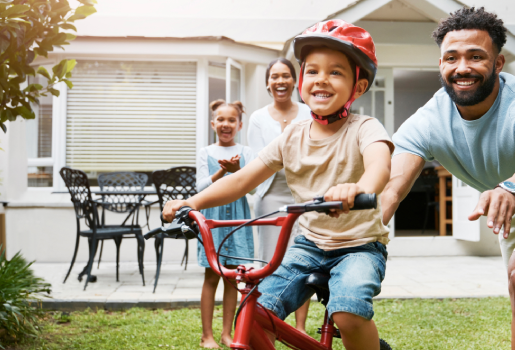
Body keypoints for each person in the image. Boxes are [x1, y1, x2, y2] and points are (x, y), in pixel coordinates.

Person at [164, 20, 393, 350]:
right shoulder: (293, 135)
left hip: (359, 246)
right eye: (312, 71)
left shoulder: (364, 128)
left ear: (357, 88)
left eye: (336, 72)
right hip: (309, 244)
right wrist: (193, 202)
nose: (321, 80)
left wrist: (358, 188)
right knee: (254, 312)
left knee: (348, 314)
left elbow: (379, 166)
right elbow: (243, 179)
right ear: (302, 80)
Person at [380, 8, 515, 350]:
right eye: (451, 57)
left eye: (476, 56)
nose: (462, 67)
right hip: (510, 201)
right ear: (441, 65)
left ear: (498, 64)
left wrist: (509, 188)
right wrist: (366, 228)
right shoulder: (428, 120)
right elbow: (393, 184)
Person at [246, 57, 312, 333]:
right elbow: (258, 160)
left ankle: (299, 328)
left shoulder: (309, 112)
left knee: (304, 258)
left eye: (285, 76)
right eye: (274, 76)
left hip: (305, 196)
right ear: (267, 83)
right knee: (270, 261)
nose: (280, 81)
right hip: (271, 195)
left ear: (294, 81)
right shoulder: (258, 118)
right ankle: (269, 322)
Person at [195, 99, 257, 348]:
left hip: (237, 222)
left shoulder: (247, 153)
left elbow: (252, 190)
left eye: (231, 120)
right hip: (213, 221)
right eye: (221, 119)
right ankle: (207, 335)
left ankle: (226, 334)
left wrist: (238, 170)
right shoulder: (206, 152)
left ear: (239, 124)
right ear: (213, 124)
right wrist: (223, 171)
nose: (226, 124)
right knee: (211, 276)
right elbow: (199, 188)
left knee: (233, 278)